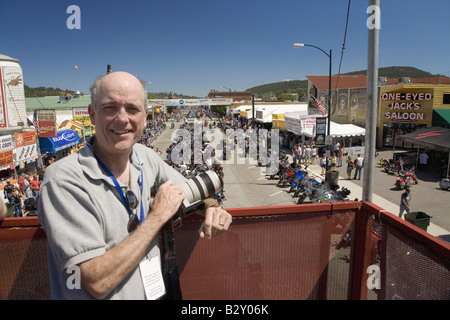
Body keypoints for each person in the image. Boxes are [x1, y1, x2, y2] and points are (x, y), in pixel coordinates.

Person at [38, 71, 232, 300]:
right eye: (110, 107)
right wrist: (158, 216)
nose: (122, 118)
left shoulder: (144, 156)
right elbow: (97, 282)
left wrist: (211, 207)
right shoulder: (63, 180)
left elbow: (188, 191)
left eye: (132, 109)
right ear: (92, 114)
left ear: (145, 117)